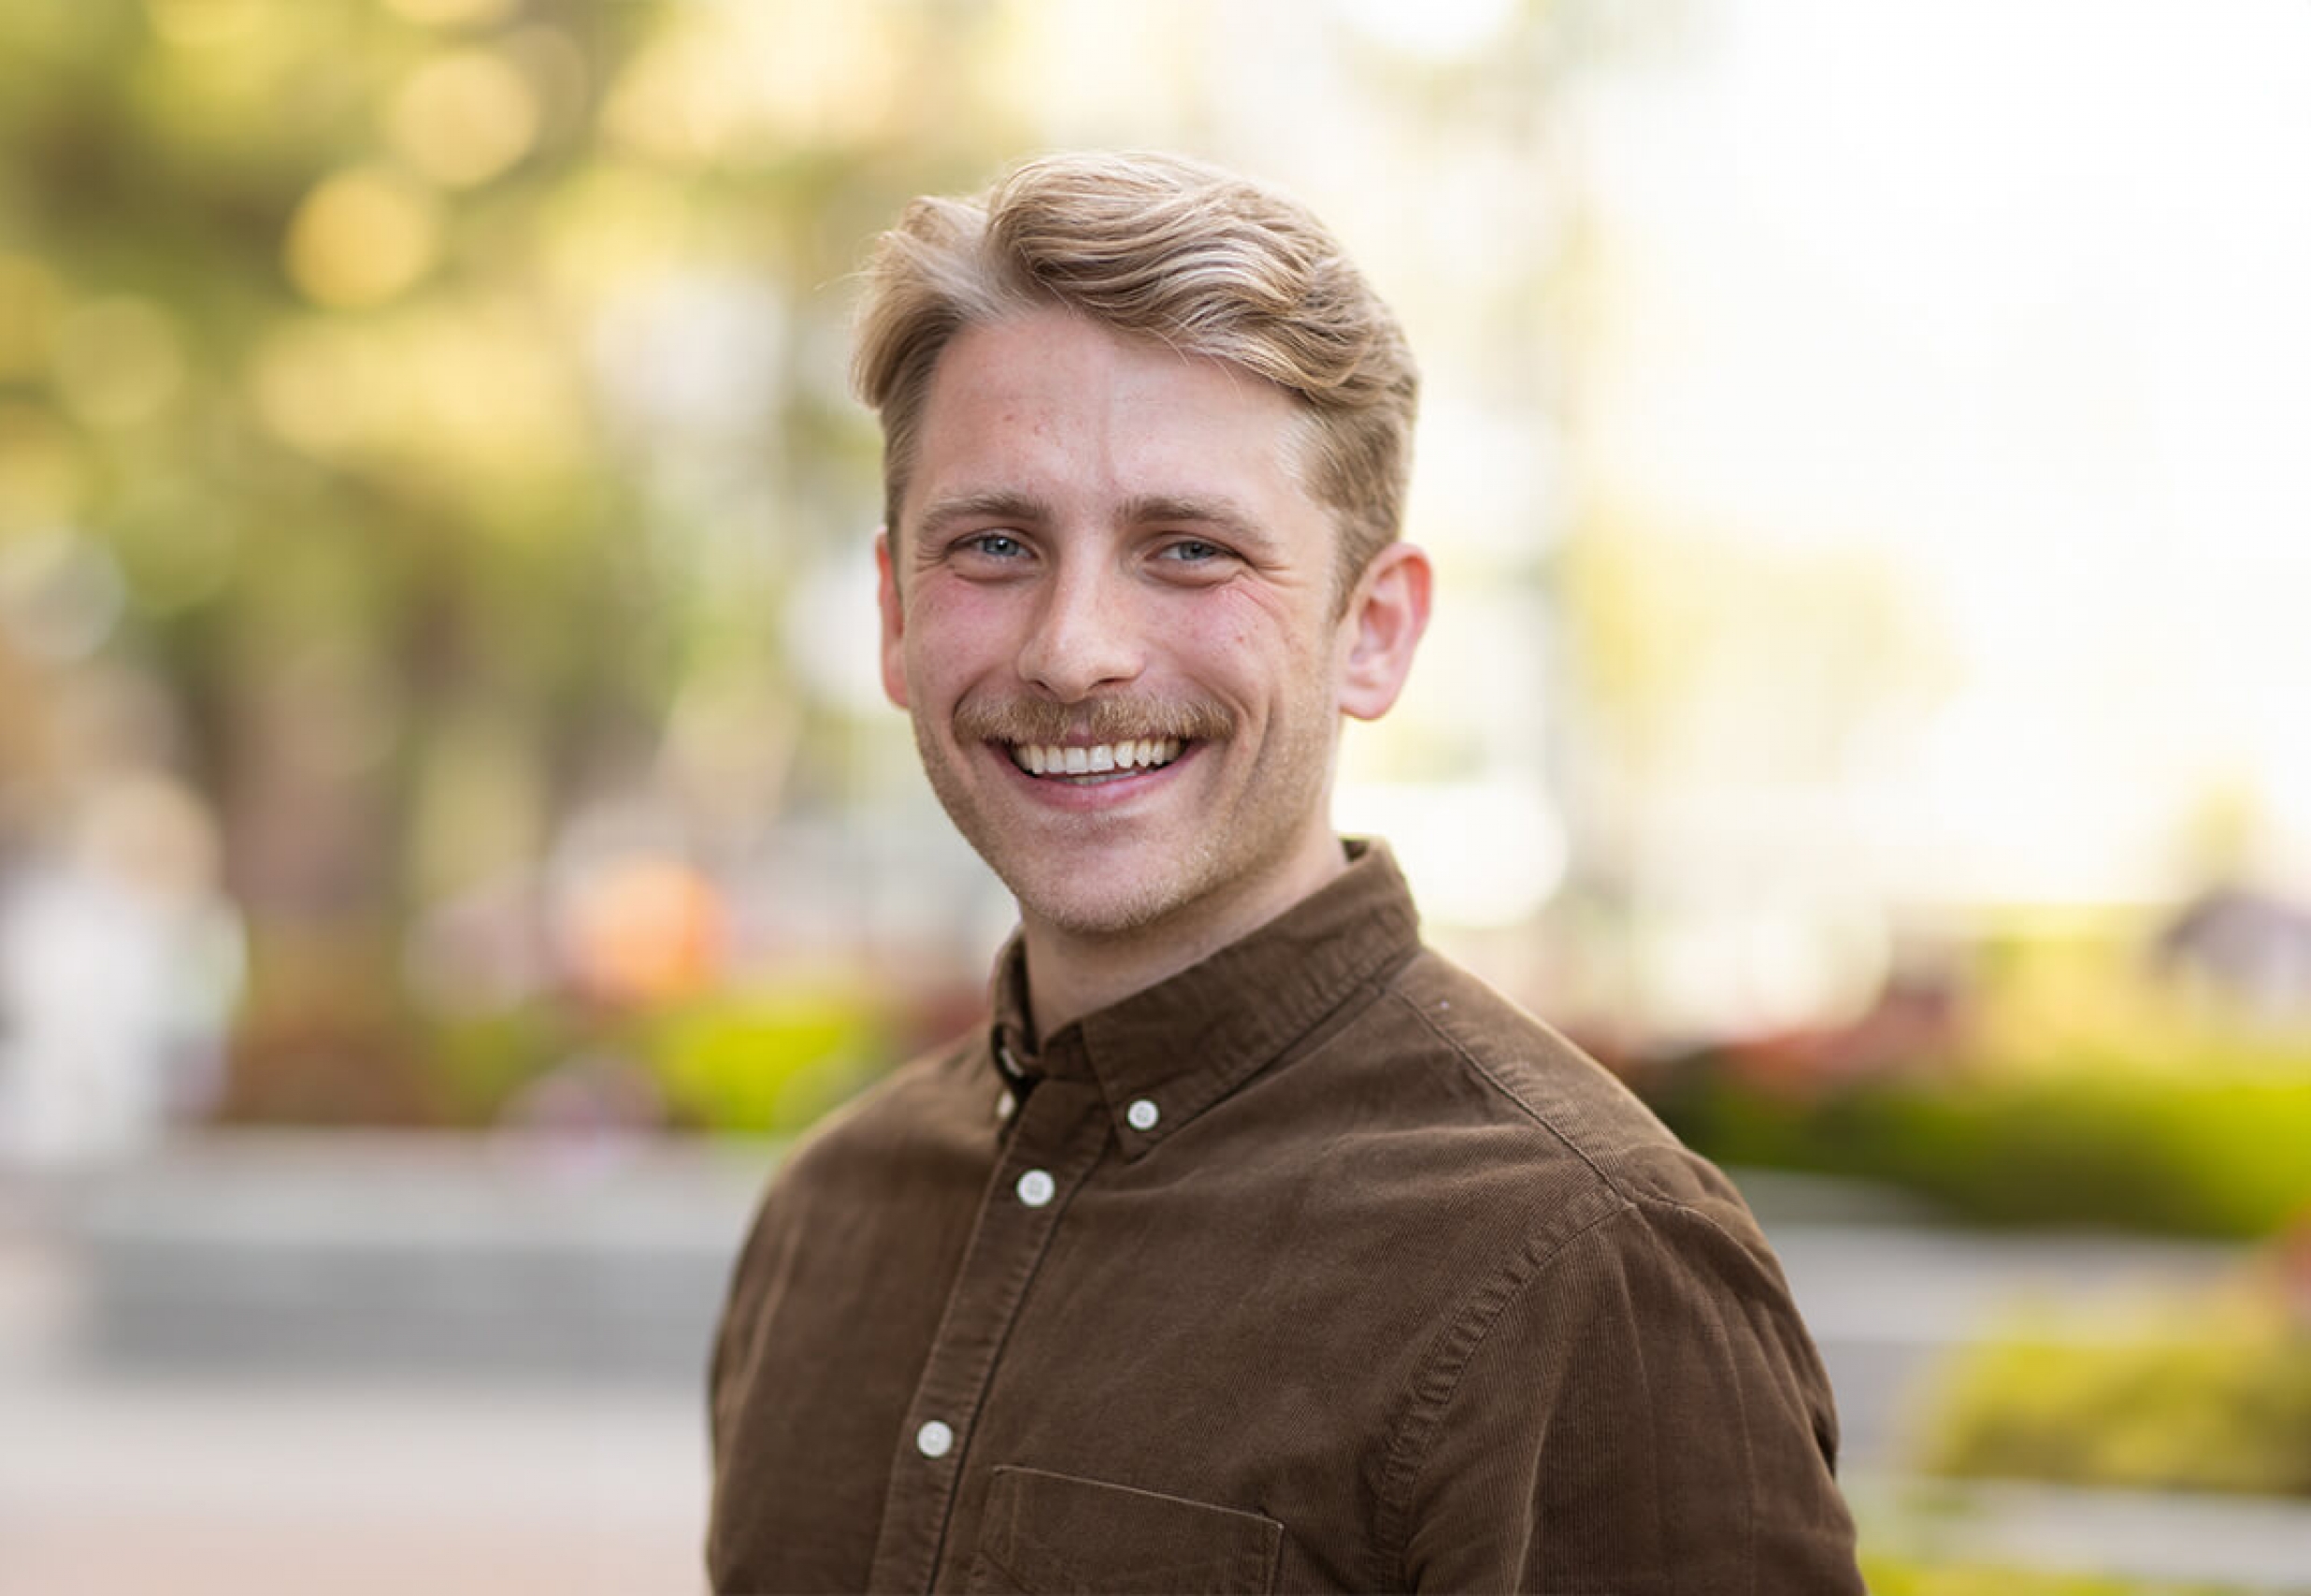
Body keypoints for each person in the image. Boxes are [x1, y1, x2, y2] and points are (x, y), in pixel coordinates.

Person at [705, 151, 1862, 1593]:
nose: (1075, 650)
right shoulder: (832, 1215)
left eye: (1189, 551)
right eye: (996, 545)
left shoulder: (1592, 1264)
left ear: (1372, 630)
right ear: (892, 613)